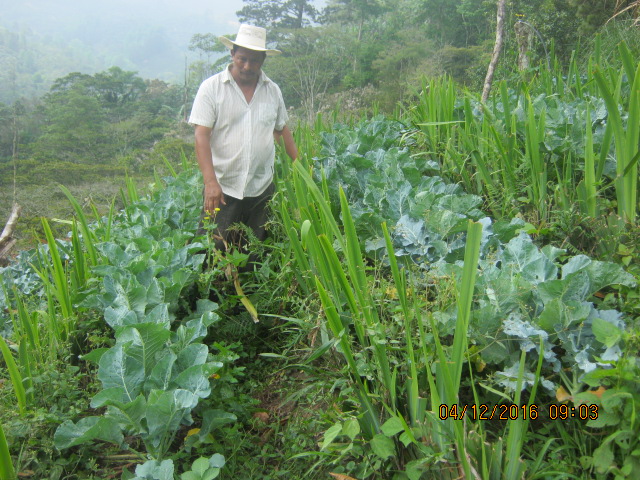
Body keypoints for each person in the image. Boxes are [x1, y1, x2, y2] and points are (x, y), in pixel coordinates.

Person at [189, 24, 298, 267]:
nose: (248, 66)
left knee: (256, 249)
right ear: (232, 55)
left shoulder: (272, 91)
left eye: (255, 61)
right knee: (212, 249)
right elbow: (201, 135)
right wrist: (210, 183)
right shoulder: (212, 88)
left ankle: (248, 298)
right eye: (242, 59)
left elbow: (281, 129)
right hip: (223, 186)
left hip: (261, 186)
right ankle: (210, 299)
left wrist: (301, 169)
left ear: (263, 61)